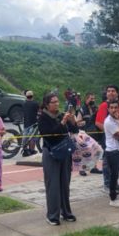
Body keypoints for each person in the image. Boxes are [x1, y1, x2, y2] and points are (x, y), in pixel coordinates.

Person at [39, 93, 79, 225]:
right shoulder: (43, 117)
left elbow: (74, 130)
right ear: (46, 104)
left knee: (65, 183)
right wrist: (62, 122)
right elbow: (50, 135)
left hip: (65, 152)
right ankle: (52, 215)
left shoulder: (62, 114)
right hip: (51, 153)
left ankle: (66, 212)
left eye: (57, 101)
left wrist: (72, 120)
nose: (56, 104)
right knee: (53, 185)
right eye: (53, 102)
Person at [95, 85, 119, 191]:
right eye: (108, 91)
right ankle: (107, 184)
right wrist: (110, 132)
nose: (110, 93)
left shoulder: (118, 105)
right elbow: (98, 123)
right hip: (107, 138)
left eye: (113, 91)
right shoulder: (104, 105)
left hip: (117, 138)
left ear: (117, 93)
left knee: (116, 162)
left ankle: (114, 182)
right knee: (107, 161)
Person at [22, 90, 40, 156]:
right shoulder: (35, 103)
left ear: (26, 96)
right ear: (32, 96)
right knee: (33, 137)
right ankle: (32, 150)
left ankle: (25, 149)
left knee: (25, 136)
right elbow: (39, 112)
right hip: (33, 123)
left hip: (26, 122)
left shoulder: (24, 103)